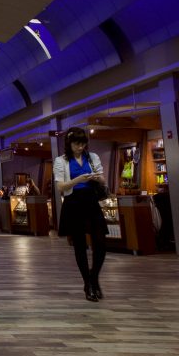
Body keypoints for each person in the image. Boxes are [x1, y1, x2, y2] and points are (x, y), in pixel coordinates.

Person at [53, 126, 107, 302]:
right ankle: (88, 284)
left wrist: (96, 177)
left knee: (100, 242)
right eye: (77, 144)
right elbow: (60, 187)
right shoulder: (61, 161)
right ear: (69, 144)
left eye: (83, 144)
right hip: (73, 203)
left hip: (91, 201)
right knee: (80, 245)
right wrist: (78, 180)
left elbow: (103, 179)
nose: (80, 147)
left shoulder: (92, 157)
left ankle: (94, 277)